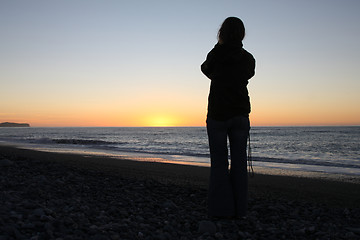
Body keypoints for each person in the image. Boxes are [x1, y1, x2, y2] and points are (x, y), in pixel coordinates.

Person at [201, 17, 255, 218]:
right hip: (240, 113)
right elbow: (249, 74)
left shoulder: (216, 54)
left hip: (218, 114)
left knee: (219, 164)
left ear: (222, 33)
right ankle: (239, 211)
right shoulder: (248, 58)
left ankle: (219, 211)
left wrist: (220, 45)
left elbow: (206, 69)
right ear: (242, 34)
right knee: (240, 164)